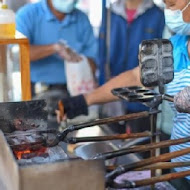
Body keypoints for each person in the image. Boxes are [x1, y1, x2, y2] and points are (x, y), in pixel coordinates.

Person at [57, 0, 190, 189]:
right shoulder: (176, 45)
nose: (169, 11)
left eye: (172, 4)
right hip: (180, 165)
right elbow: (137, 76)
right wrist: (84, 100)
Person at [16, 0, 97, 95]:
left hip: (74, 91)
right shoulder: (27, 14)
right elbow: (18, 54)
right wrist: (55, 48)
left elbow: (93, 62)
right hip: (38, 90)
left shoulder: (82, 19)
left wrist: (79, 61)